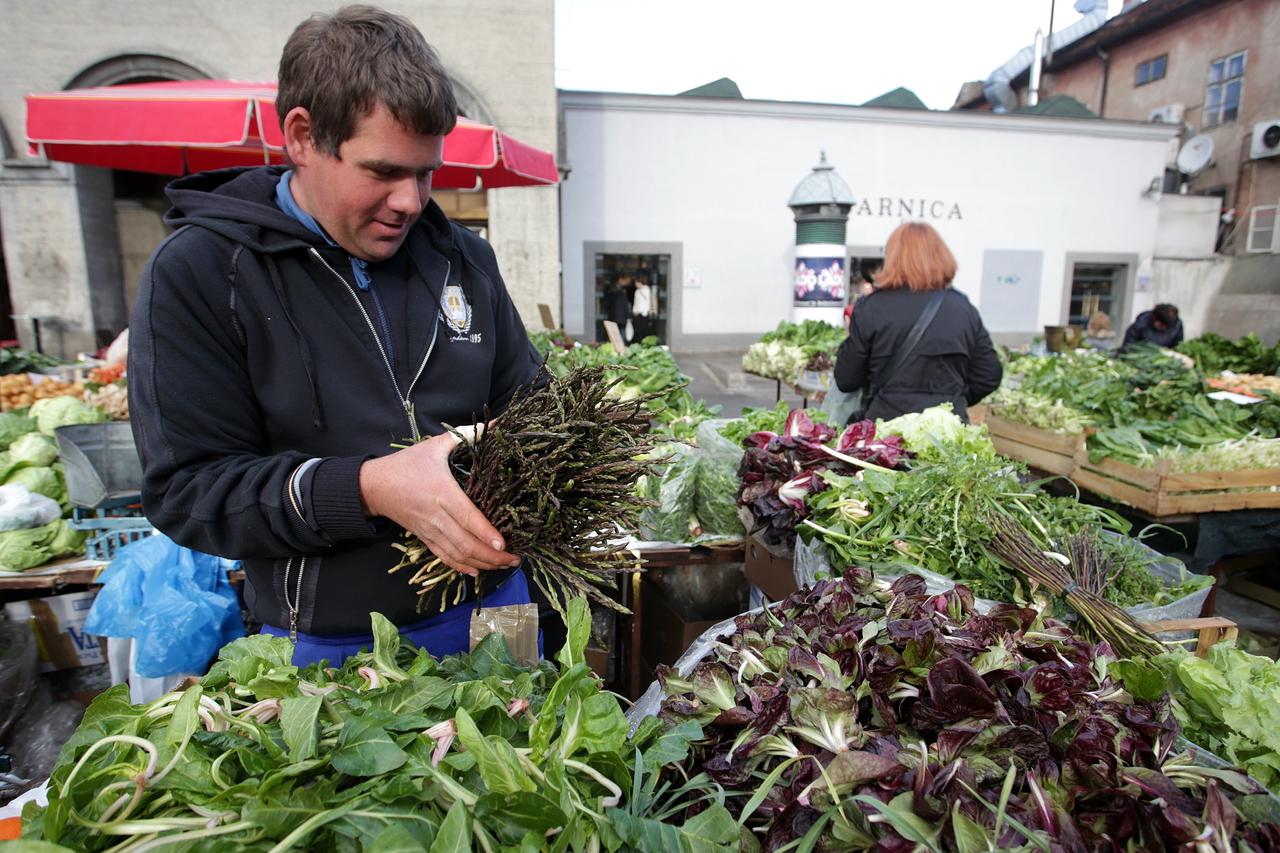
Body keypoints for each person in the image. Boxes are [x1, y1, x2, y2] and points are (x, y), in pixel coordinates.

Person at [128, 6, 547, 667]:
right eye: (383, 171)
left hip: (499, 612)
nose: (412, 201)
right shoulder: (202, 272)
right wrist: (366, 488)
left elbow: (532, 405)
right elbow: (189, 490)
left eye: (425, 172)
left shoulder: (463, 257)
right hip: (329, 650)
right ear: (301, 136)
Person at [834, 222, 1001, 422]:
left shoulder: (871, 308)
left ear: (893, 258)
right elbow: (988, 375)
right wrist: (951, 399)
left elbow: (846, 379)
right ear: (941, 256)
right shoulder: (963, 308)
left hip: (887, 432)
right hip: (947, 432)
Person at [631, 273, 654, 341]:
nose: (635, 284)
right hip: (637, 314)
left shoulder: (646, 290)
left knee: (644, 330)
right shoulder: (637, 291)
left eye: (636, 282)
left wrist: (646, 311)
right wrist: (634, 311)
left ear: (640, 282)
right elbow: (636, 303)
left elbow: (648, 302)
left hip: (644, 314)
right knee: (638, 331)